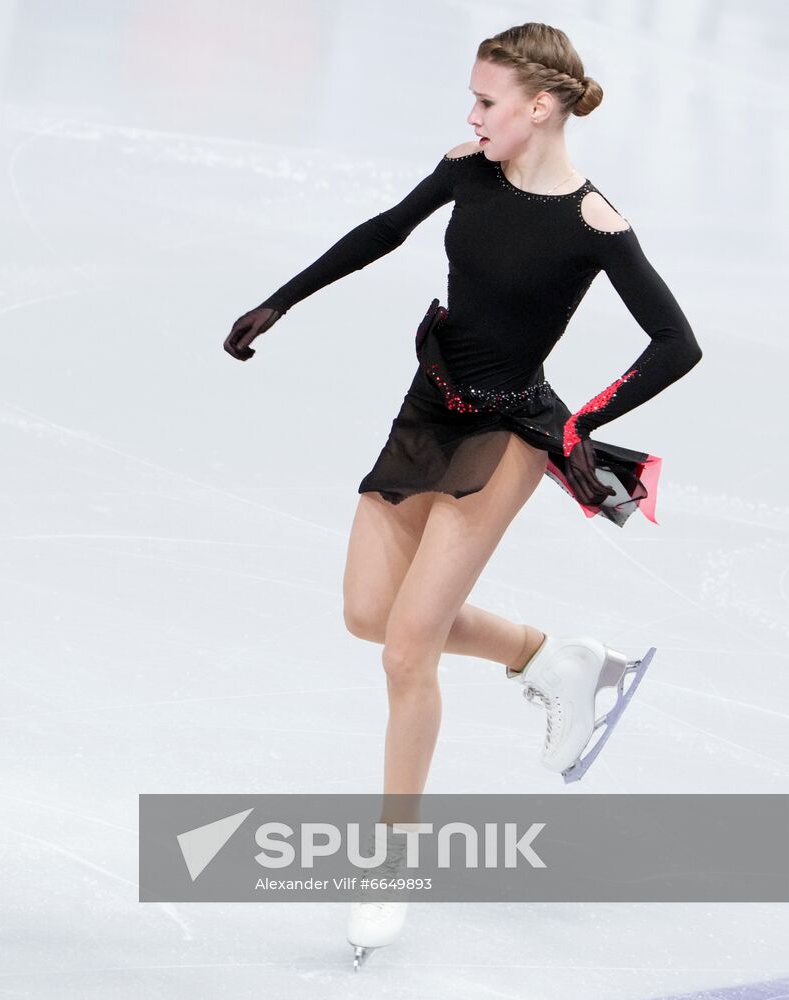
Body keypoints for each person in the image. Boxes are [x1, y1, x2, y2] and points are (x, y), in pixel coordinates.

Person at [224, 21, 702, 970]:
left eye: (487, 102)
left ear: (540, 106)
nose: (472, 115)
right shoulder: (467, 170)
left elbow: (676, 344)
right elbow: (383, 232)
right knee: (369, 612)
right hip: (429, 403)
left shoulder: (593, 223)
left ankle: (391, 864)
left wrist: (580, 425)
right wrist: (279, 302)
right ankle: (552, 656)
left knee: (409, 648)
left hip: (510, 432)